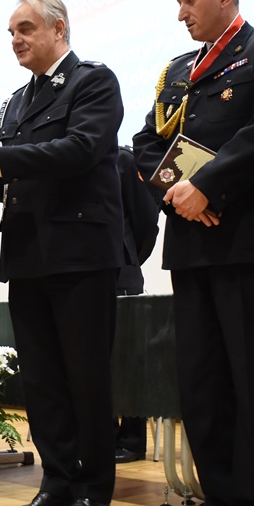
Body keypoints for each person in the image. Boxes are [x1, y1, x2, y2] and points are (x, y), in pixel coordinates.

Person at [133, 0, 254, 506]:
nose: (181, 12)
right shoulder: (178, 70)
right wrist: (182, 194)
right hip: (192, 240)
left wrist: (208, 186)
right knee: (202, 383)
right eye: (178, 2)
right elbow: (145, 143)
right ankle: (221, 502)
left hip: (249, 239)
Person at [0, 0, 125, 506]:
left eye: (25, 28)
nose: (16, 40)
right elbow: (17, 183)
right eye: (10, 32)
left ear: (58, 29)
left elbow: (80, 149)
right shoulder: (15, 102)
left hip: (79, 253)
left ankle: (94, 489)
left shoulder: (93, 81)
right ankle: (56, 483)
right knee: (43, 380)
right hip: (28, 253)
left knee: (85, 377)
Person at [112, 145, 159, 463]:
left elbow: (146, 220)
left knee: (127, 361)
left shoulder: (124, 160)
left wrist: (129, 257)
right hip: (85, 271)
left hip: (122, 272)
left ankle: (132, 439)